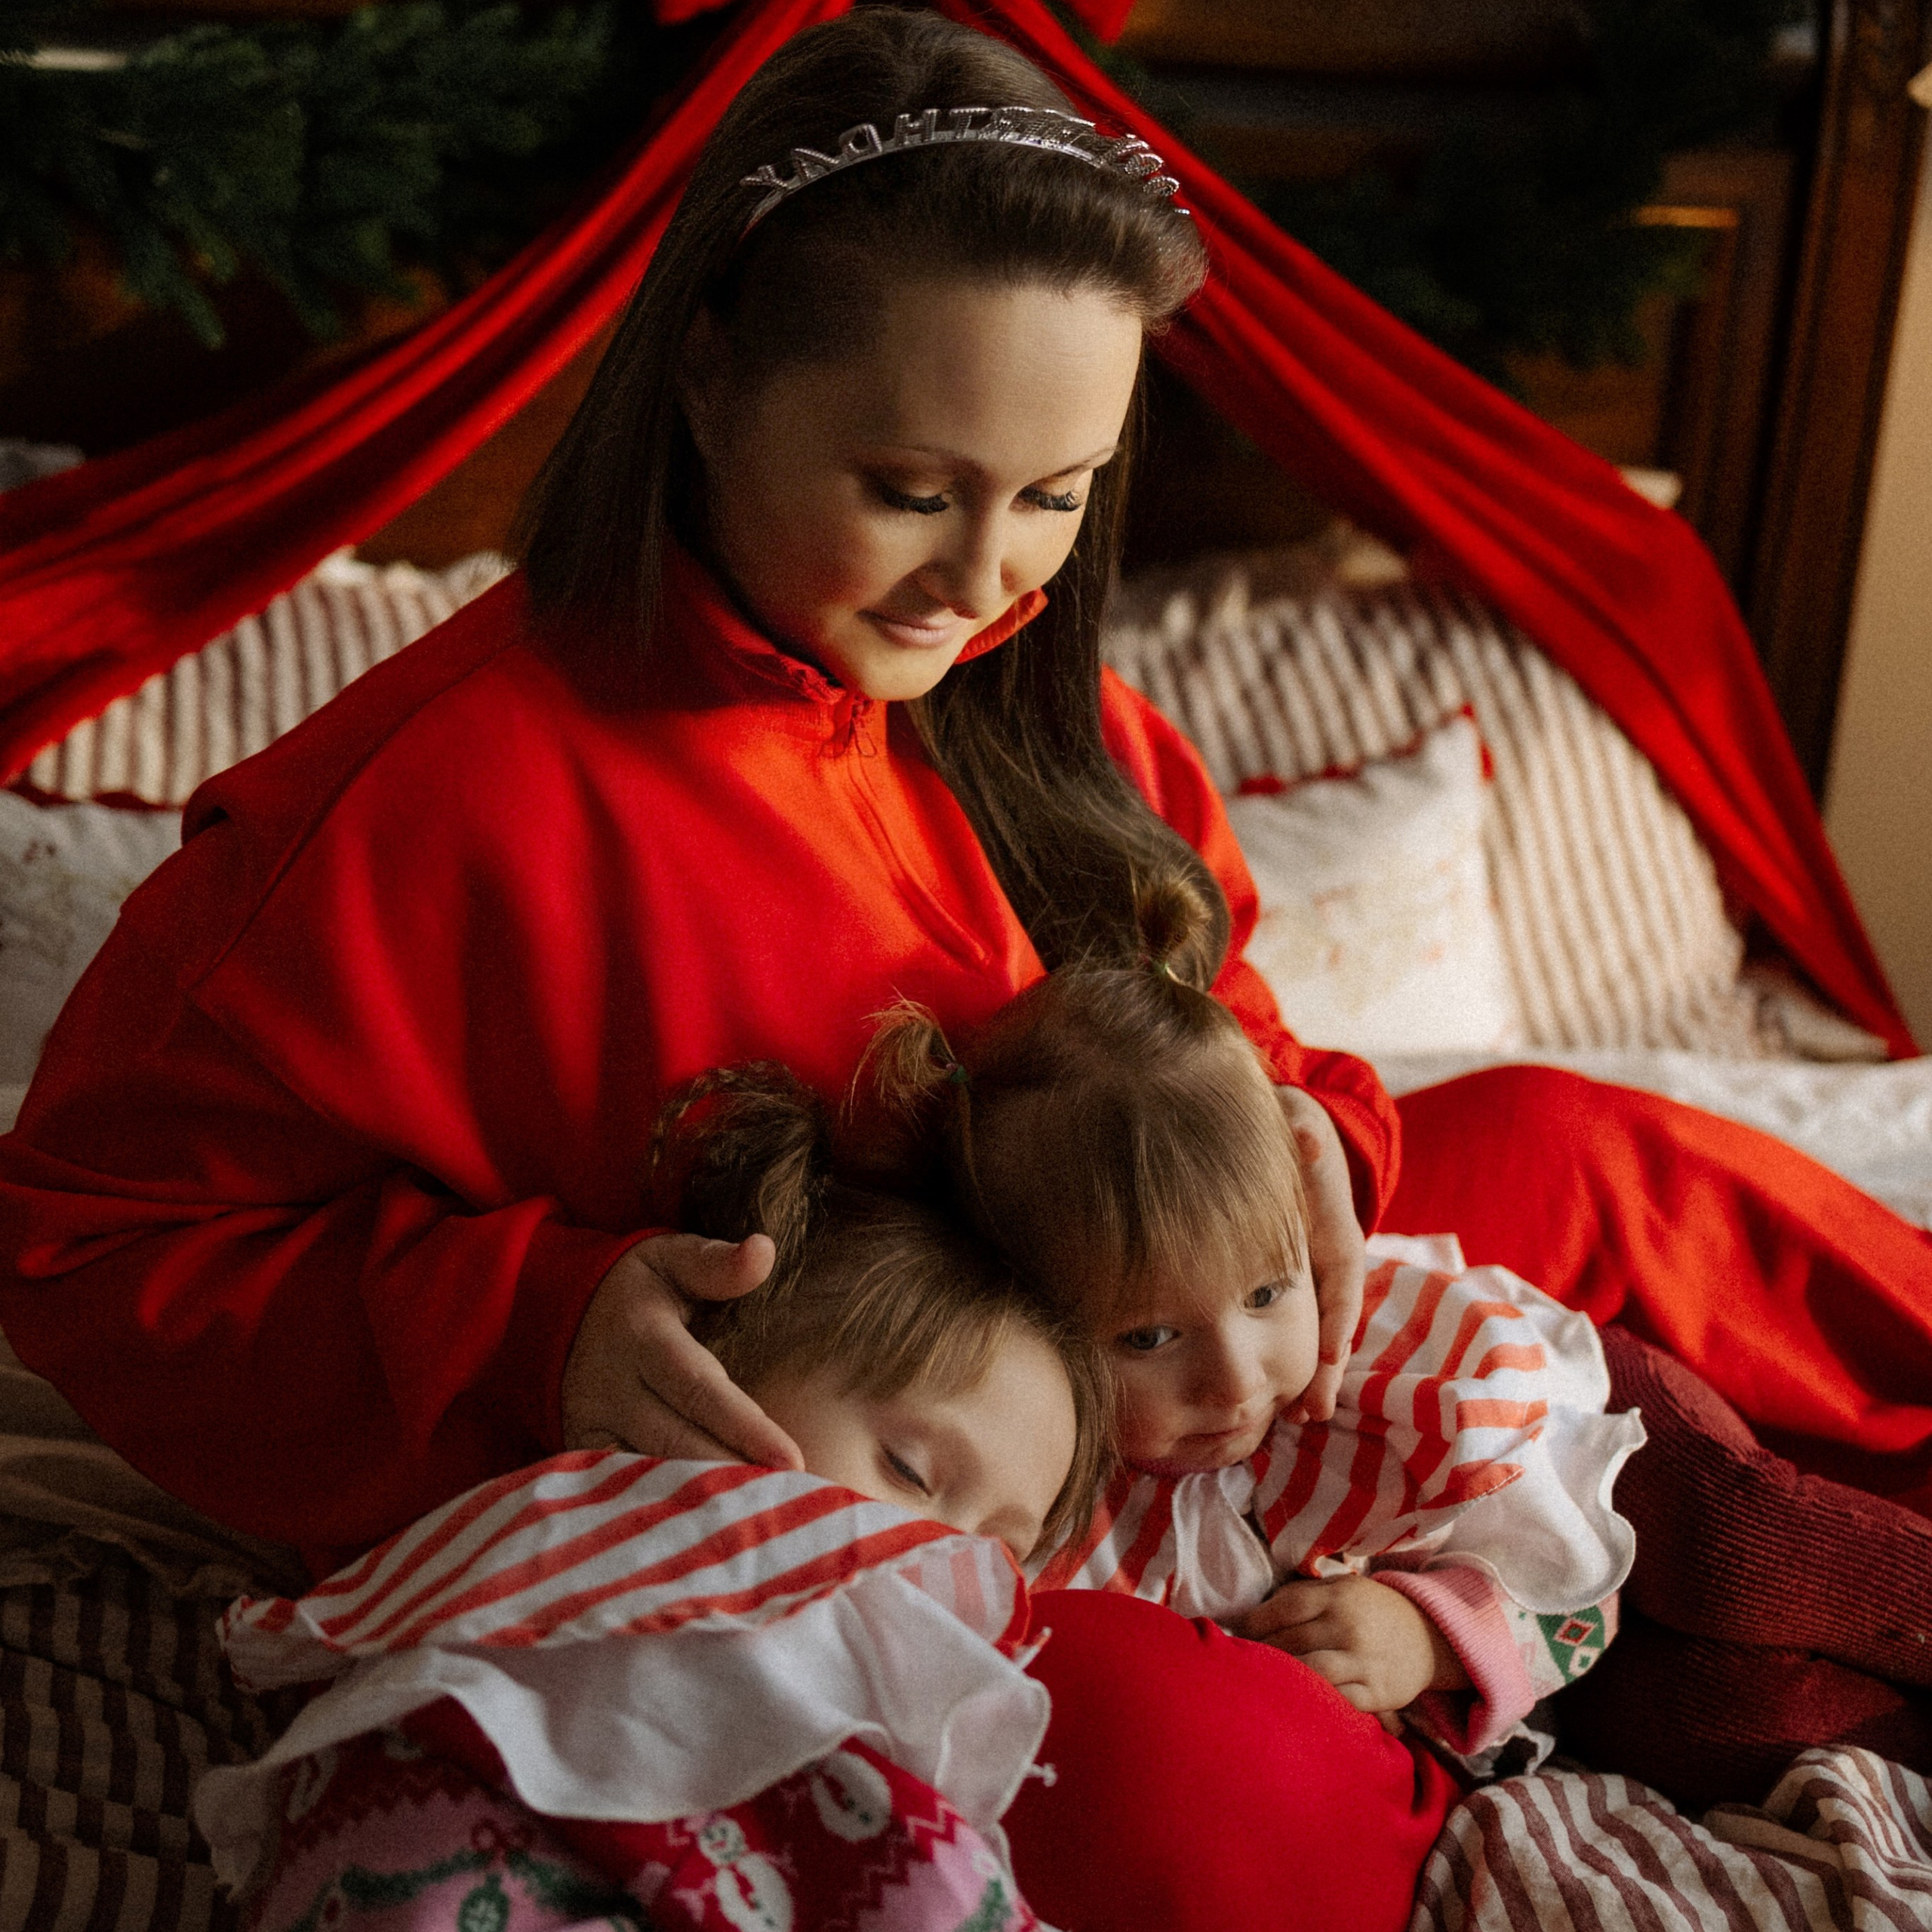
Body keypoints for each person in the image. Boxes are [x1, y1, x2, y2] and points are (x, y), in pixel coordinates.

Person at [0, 0, 1921, 1903]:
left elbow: (1222, 1026)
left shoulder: (1046, 718)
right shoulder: (415, 808)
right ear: (705, 374)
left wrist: (1308, 1137)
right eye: (910, 491)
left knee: (1586, 1151)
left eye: (1059, 497)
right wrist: (529, 1315)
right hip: (879, 1498)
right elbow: (84, 1246)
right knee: (1216, 1782)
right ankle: (1612, 1617)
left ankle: (1716, 1564)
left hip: (1200, 1366)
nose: (982, 576)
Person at [202, 1063, 1112, 1931]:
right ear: (709, 1377)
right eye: (910, 1470)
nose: (939, 1551)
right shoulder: (668, 1528)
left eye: (1002, 1548)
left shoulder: (912, 1664)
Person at [863, 878, 1642, 1777]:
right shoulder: (1050, 1518)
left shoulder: (1408, 1386)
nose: (1234, 1382)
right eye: (1148, 1338)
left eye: (1269, 1292)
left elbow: (1582, 1602)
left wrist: (1429, 1634)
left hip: (1612, 1440)